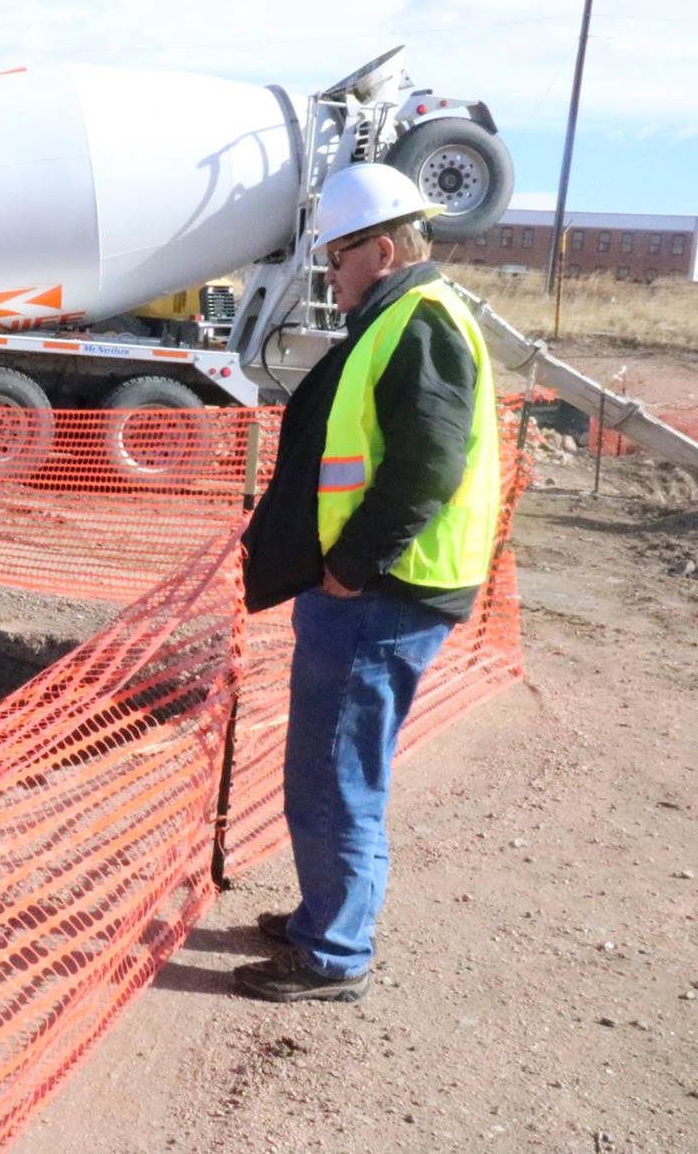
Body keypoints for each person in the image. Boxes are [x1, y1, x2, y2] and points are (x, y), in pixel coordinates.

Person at [234, 162, 504, 1004]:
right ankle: (330, 913)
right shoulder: (410, 314)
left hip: (382, 594)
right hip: (389, 590)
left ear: (381, 250)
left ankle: (333, 951)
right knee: (347, 765)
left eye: (336, 257)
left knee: (332, 770)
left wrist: (351, 568)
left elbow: (426, 465)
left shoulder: (417, 323)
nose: (328, 273)